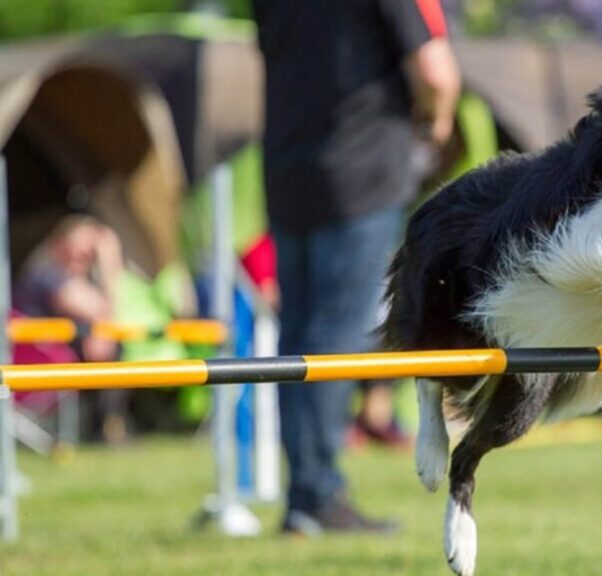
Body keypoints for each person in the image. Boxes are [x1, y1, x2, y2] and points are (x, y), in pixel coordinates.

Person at [251, 0, 460, 534]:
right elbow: (435, 72)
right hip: (361, 170)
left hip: (287, 170)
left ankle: (305, 494)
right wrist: (435, 126)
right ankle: (317, 496)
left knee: (296, 338)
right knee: (333, 338)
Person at [13, 215, 128, 442]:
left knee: (107, 342)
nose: (82, 257)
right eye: (78, 250)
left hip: (49, 353)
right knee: (111, 347)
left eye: (89, 253)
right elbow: (100, 309)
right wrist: (108, 262)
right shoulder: (47, 274)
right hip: (35, 359)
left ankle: (107, 426)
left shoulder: (61, 274)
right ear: (58, 245)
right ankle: (107, 428)